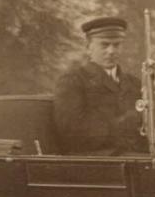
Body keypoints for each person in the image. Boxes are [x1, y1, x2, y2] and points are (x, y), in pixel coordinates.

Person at [53, 16, 147, 155]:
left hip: (135, 158)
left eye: (117, 45)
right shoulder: (73, 81)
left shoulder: (134, 83)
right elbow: (71, 131)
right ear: (88, 47)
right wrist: (121, 124)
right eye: (104, 45)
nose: (111, 51)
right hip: (95, 162)